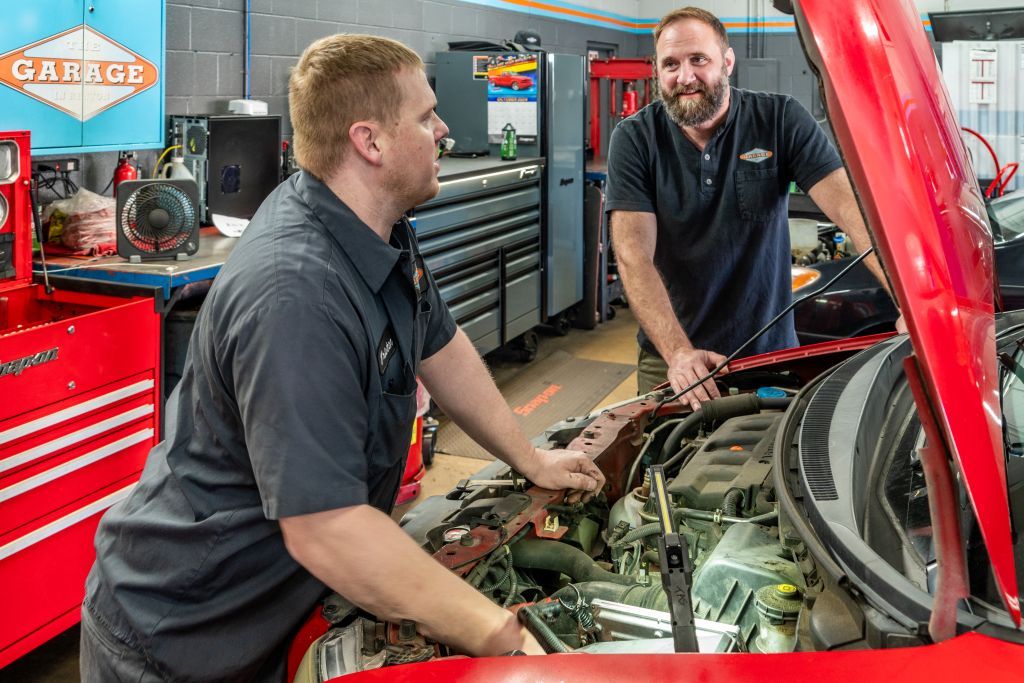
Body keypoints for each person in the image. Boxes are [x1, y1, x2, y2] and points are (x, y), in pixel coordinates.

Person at [80, 34, 605, 682]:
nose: (443, 130)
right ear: (370, 141)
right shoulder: (295, 293)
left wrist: (529, 458)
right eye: (424, 116)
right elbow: (326, 529)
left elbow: (440, 348)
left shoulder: (377, 229)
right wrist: (504, 635)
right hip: (182, 634)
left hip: (275, 607)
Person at [606, 7, 894, 409]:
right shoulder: (635, 139)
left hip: (770, 354)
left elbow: (851, 210)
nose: (684, 77)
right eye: (670, 64)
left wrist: (907, 302)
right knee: (663, 465)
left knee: (771, 466)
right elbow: (635, 256)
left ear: (727, 62)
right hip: (673, 357)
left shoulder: (779, 119)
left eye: (698, 60)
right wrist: (678, 353)